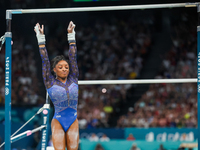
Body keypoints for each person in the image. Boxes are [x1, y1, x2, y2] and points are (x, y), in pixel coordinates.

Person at [34, 21, 79, 150]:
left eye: (66, 67)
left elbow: (73, 56)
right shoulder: (50, 81)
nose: (65, 69)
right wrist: (41, 38)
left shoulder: (74, 78)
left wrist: (71, 35)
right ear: (54, 70)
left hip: (73, 120)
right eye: (60, 67)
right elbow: (44, 60)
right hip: (58, 120)